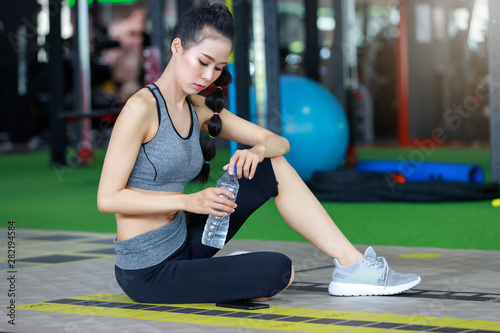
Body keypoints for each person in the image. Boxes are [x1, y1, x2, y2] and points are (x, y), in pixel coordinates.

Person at [97, 1, 420, 304]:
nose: (208, 76)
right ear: (178, 46)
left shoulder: (198, 108)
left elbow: (279, 142)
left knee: (269, 164)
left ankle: (353, 265)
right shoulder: (141, 109)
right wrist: (188, 202)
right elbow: (108, 198)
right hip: (148, 271)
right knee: (279, 270)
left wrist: (258, 151)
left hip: (185, 242)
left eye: (218, 68)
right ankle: (225, 275)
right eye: (203, 62)